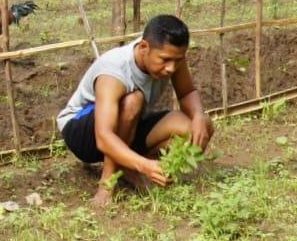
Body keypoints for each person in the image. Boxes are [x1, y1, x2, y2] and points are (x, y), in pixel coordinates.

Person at [56, 14, 214, 207]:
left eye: (177, 60)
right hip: (82, 131)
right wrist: (143, 165)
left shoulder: (172, 58)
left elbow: (187, 92)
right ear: (144, 48)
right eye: (165, 60)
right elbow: (104, 136)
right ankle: (108, 182)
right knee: (133, 100)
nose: (171, 68)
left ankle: (130, 166)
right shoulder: (114, 71)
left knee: (200, 125)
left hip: (128, 125)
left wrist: (197, 115)